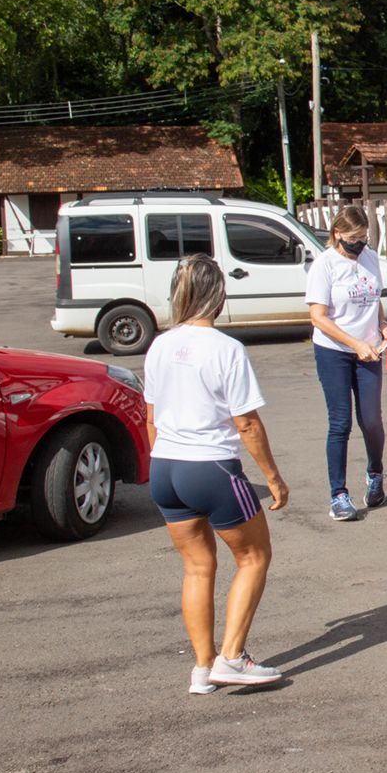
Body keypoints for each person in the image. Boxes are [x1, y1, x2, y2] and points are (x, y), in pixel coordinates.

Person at [143, 253, 290, 695]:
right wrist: (274, 478)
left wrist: (164, 458)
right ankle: (233, 657)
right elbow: (246, 423)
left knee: (197, 568)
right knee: (254, 557)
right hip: (211, 467)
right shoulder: (227, 349)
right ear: (219, 295)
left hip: (166, 467)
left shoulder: (159, 345)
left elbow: (150, 416)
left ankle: (202, 669)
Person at [305, 205, 387, 521]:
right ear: (338, 234)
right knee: (340, 422)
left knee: (371, 419)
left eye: (364, 238)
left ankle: (375, 473)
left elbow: (373, 298)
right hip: (334, 352)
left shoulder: (370, 257)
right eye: (354, 238)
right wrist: (354, 344)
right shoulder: (324, 265)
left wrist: (382, 325)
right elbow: (318, 317)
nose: (359, 244)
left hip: (370, 349)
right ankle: (338, 495)